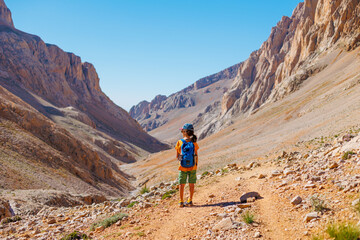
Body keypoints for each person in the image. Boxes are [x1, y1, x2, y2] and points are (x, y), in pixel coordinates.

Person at [175, 123, 199, 207]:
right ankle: (190, 200)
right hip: (193, 166)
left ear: (185, 132)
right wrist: (195, 165)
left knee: (181, 184)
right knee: (191, 184)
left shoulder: (180, 142)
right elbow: (196, 155)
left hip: (182, 167)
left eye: (182, 130)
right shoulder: (194, 142)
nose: (181, 132)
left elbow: (177, 156)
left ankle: (181, 201)